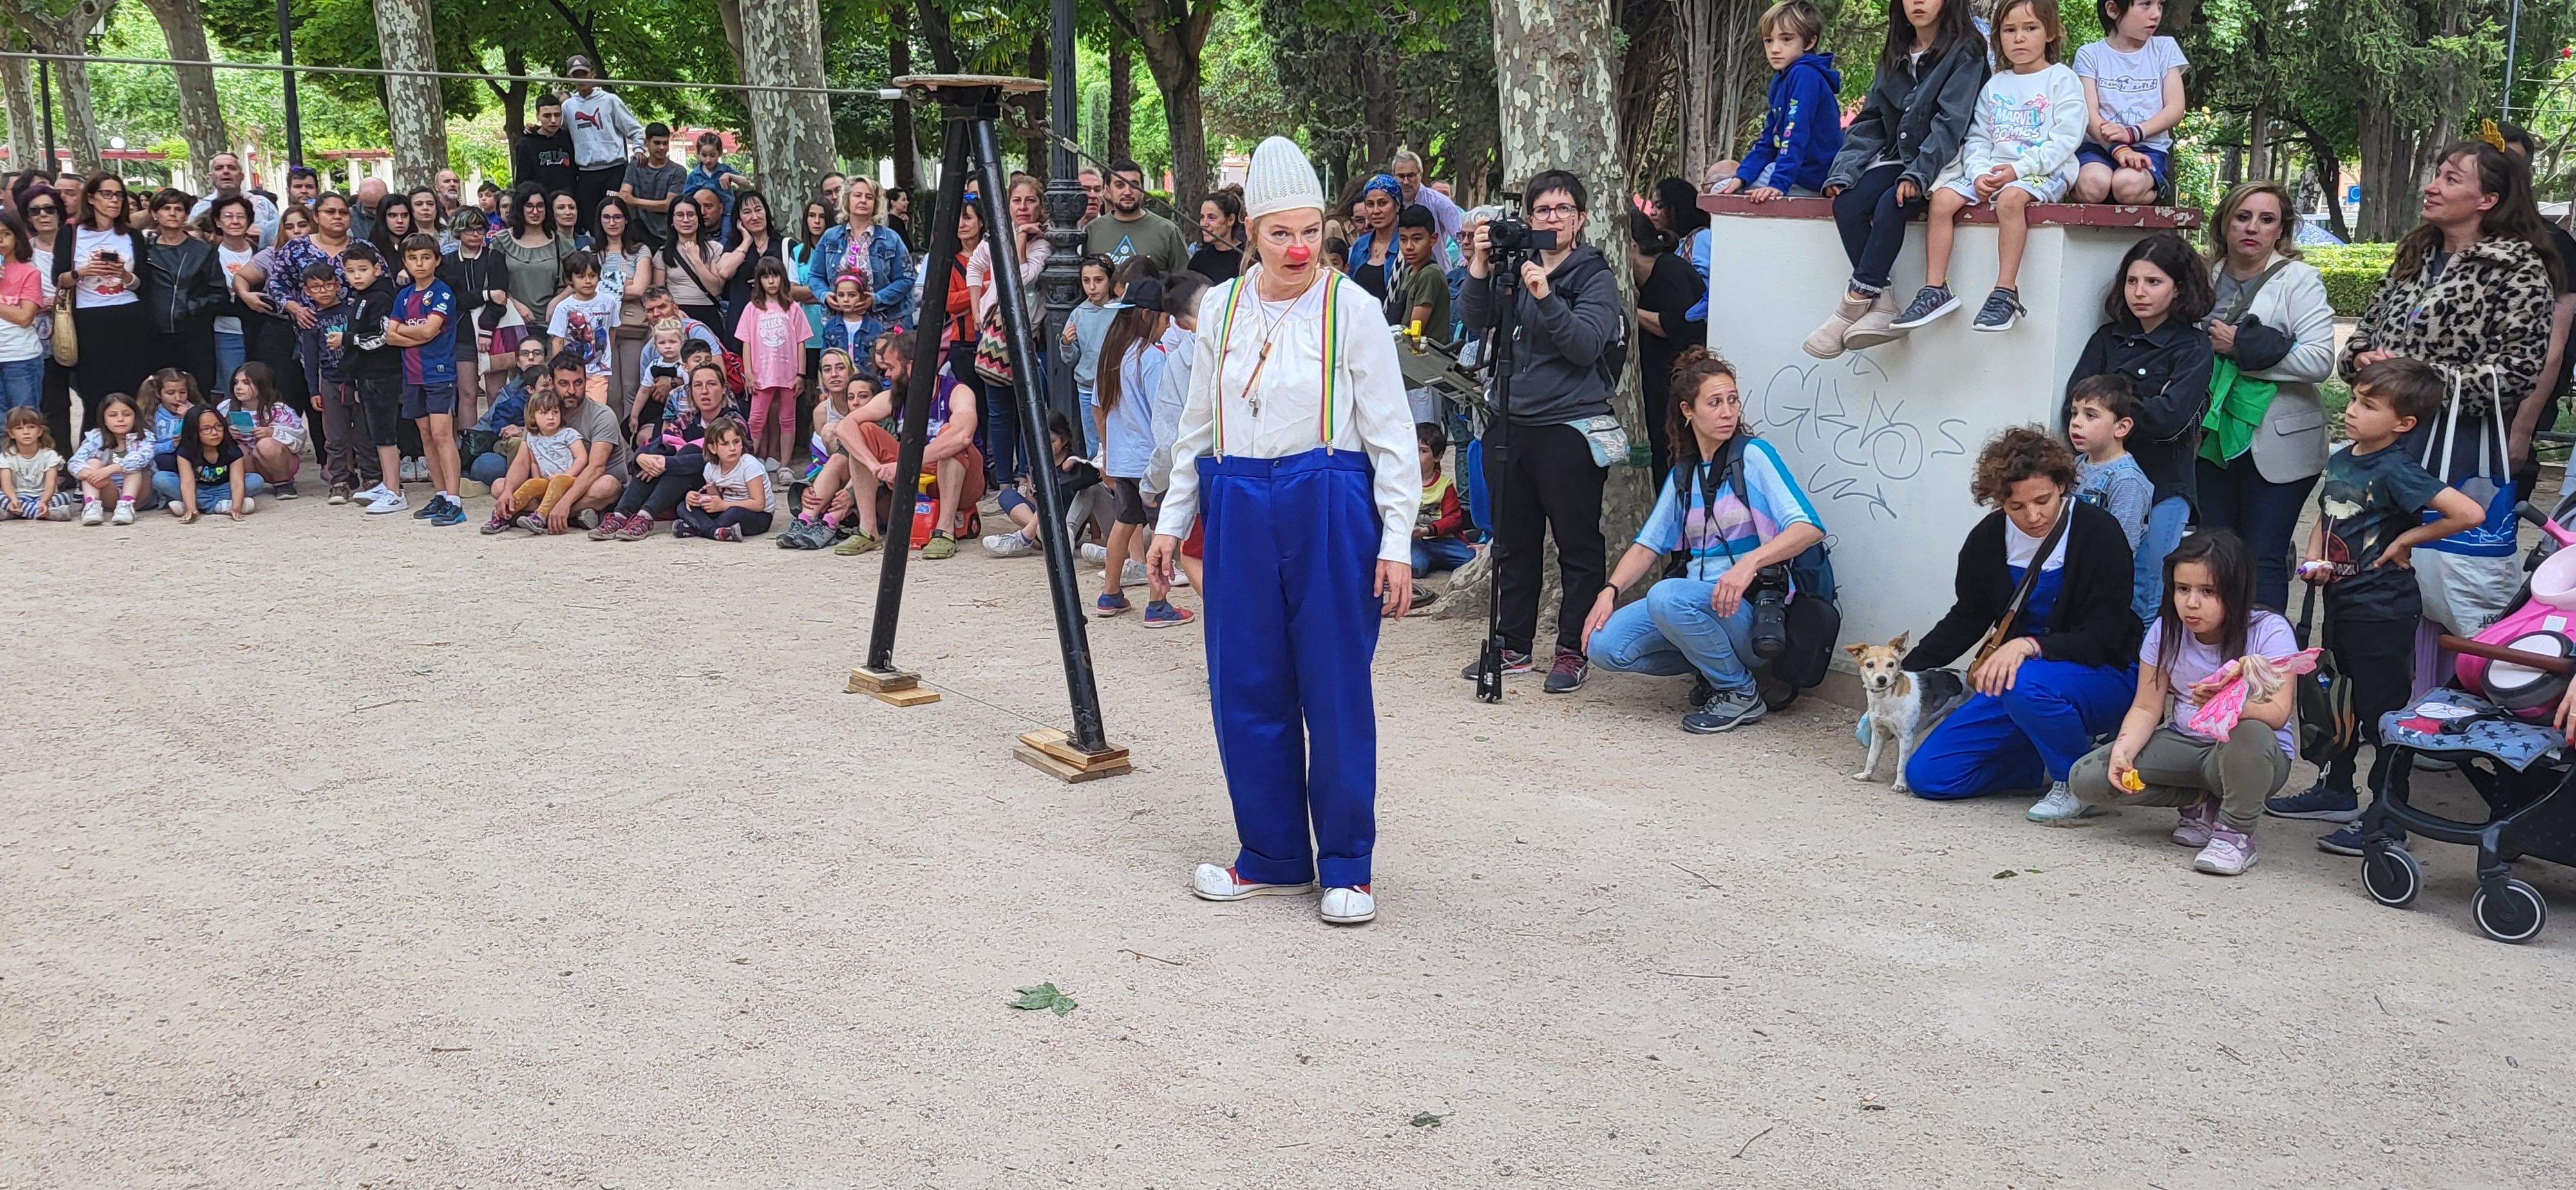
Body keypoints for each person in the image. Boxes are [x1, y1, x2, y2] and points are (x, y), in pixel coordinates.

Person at [1149, 136, 1416, 926]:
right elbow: (1198, 422)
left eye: (1309, 231)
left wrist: (1396, 541)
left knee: (1333, 685)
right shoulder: (1222, 309)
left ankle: (1347, 865)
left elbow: (1394, 435)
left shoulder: (1353, 308)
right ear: (1250, 232)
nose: (1298, 248)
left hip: (1329, 494)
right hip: (1236, 496)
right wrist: (1172, 521)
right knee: (1245, 681)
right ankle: (1269, 854)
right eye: (1279, 233)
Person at [2340, 138, 2559, 636]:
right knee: (2373, 591)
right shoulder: (2415, 253)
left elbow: (2519, 373)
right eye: (2436, 174)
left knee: (2453, 603)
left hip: (2457, 452)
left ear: (2488, 200)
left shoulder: (2518, 267)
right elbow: (2363, 333)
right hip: (2380, 446)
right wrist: (2362, 359)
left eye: (2451, 179)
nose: (2432, 187)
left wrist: (2417, 380)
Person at [2269, 360, 2480, 855]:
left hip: (2383, 607)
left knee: (2380, 713)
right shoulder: (2345, 457)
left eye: (2368, 405)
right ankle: (2336, 790)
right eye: (2354, 399)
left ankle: (2387, 816)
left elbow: (2469, 513)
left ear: (2403, 424)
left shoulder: (2398, 469)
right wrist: (2315, 557)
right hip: (2342, 599)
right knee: (2338, 700)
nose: (2353, 411)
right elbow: (2330, 512)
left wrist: (2410, 536)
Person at [1582, 349, 1826, 732]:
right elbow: (1648, 544)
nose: (1728, 411)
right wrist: (1609, 590)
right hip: (1696, 604)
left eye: (1732, 400)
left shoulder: (1754, 456)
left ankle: (1739, 692)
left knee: (1666, 595)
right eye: (1715, 403)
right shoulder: (1685, 473)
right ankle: (1714, 670)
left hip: (1748, 610)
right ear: (1688, 411)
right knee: (1605, 646)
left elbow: (1808, 527)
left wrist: (1750, 564)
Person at [1903, 426, 2142, 811]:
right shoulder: (1987, 539)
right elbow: (1968, 616)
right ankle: (2038, 760)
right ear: (1999, 502)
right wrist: (1906, 676)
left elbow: (2106, 634)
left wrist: (2029, 645)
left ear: (2063, 484)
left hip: (2103, 670)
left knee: (2024, 683)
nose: (2033, 516)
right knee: (1930, 776)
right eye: (2016, 507)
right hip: (2020, 680)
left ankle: (2076, 783)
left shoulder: (2099, 532)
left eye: (2043, 500)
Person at [1459, 167, 1625, 693]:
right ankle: (1512, 645)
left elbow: (1583, 345)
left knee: (1576, 545)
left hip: (1570, 426)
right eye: (1542, 210)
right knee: (1512, 542)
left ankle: (1573, 649)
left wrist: (1547, 295)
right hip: (1511, 421)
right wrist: (1482, 267)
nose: (1552, 219)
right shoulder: (1516, 265)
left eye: (1562, 210)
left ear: (1580, 219)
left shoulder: (1594, 276)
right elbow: (1477, 319)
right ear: (1527, 218)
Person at [2063, 531, 2292, 874]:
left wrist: (2225, 704)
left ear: (2237, 591)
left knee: (2250, 732)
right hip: (2185, 742)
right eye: (2182, 589)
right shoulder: (2164, 630)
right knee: (2090, 779)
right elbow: (2146, 706)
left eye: (2208, 592)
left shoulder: (2269, 630)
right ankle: (2199, 800)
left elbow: (2277, 713)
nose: (2191, 603)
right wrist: (2124, 750)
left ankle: (2235, 835)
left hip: (2248, 753)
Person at [1804, 0, 1987, 357]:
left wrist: (1918, 174)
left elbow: (1951, 124)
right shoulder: (1895, 52)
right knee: (1849, 203)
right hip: (1900, 156)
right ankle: (1883, 301)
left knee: (1894, 201)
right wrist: (1845, 169)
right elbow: (1871, 120)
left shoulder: (1967, 51)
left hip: (1948, 160)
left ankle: (1853, 303)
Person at [1889, 0, 2083, 334]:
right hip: (1992, 169)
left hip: (2043, 171)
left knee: (2010, 200)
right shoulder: (1995, 84)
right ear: (1999, 37)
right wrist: (1978, 172)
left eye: (2030, 28)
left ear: (2050, 33)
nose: (2019, 38)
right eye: (2010, 30)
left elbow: (2065, 139)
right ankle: (1936, 288)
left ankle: (2005, 292)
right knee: (1942, 199)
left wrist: (2018, 170)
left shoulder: (2062, 80)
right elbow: (1977, 137)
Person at [2192, 180, 2338, 610]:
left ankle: (2267, 667)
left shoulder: (2299, 279)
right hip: (2211, 437)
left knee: (2262, 559)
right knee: (2215, 556)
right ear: (2225, 223)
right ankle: (2218, 664)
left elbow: (2318, 361)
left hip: (2281, 442)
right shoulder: (2204, 275)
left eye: (2266, 219)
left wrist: (2240, 350)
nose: (2252, 228)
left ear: (2281, 230)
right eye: (2242, 217)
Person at [2066, 232, 2214, 619]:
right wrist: (2130, 405)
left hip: (2164, 484)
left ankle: (2144, 677)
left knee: (2148, 589)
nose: (2139, 292)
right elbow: (2075, 403)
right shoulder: (2108, 338)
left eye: (2153, 282)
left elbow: (2170, 419)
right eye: (2132, 281)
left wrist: (2110, 404)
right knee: (2095, 583)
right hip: (2098, 483)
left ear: (2178, 289)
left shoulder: (2193, 347)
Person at [828, 330, 983, 558]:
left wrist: (905, 465)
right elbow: (845, 427)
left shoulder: (957, 391)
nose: (887, 375)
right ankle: (868, 530)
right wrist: (874, 466)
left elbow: (962, 437)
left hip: (961, 476)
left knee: (950, 435)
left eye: (891, 368)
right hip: (914, 473)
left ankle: (945, 530)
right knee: (863, 432)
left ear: (911, 367)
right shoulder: (896, 395)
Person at [1092, 275, 1177, 615]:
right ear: (1147, 316)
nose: (1168, 325)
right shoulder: (1152, 360)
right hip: (1151, 460)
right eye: (1165, 318)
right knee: (1162, 529)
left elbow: (1098, 408)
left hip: (1123, 459)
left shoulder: (1112, 356)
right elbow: (1165, 412)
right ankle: (1158, 603)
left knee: (1124, 523)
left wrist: (1108, 451)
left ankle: (1110, 594)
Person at [967, 173, 1051, 488]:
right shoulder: (995, 239)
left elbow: (1022, 276)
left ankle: (1027, 475)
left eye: (1030, 200)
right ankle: (1003, 480)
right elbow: (975, 266)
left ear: (1040, 205)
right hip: (995, 336)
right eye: (1017, 200)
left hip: (1030, 337)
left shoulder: (1043, 243)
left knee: (1031, 408)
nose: (1023, 207)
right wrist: (976, 307)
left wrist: (1022, 238)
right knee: (999, 412)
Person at [1715, 1, 1844, 201]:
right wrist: (1742, 176)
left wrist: (1778, 184)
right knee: (1725, 188)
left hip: (1807, 175)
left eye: (1786, 39)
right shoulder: (1782, 78)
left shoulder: (1804, 76)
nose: (1775, 49)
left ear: (1809, 42)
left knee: (1719, 192)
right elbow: (1769, 138)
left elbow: (1795, 133)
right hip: (1790, 170)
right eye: (1768, 41)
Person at [495, 351, 629, 533]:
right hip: (548, 483)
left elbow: (596, 468)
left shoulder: (602, 416)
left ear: (585, 381)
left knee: (608, 487)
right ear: (551, 382)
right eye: (564, 384)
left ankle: (541, 514)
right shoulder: (542, 410)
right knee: (499, 487)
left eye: (578, 383)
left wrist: (565, 502)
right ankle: (572, 516)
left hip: (589, 484)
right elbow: (522, 459)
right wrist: (508, 491)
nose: (572, 391)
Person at [2069, 0, 2187, 205]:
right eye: (2146, 5)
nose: (2156, 14)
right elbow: (2088, 114)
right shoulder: (2090, 54)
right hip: (2100, 146)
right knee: (2093, 185)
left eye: (2160, 5)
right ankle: (2073, 191)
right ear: (2113, 10)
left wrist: (2132, 133)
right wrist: (2119, 147)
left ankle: (2156, 192)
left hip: (2148, 148)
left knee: (2127, 186)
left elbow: (2175, 109)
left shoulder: (2165, 49)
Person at [55, 173, 154, 410]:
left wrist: (125, 276)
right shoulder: (71, 234)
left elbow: (145, 283)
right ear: (90, 198)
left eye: (119, 195)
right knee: (95, 394)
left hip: (129, 315)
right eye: (106, 194)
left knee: (131, 390)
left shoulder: (131, 235)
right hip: (90, 319)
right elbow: (59, 279)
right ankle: (95, 444)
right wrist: (83, 272)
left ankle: (131, 443)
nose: (114, 201)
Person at [388, 234, 465, 525]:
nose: (419, 264)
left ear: (437, 260)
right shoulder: (404, 296)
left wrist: (404, 333)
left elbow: (428, 332)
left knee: (442, 434)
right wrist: (409, 334)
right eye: (412, 258)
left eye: (425, 258)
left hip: (439, 372)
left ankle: (455, 500)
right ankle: (441, 493)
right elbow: (389, 335)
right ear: (405, 262)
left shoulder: (443, 293)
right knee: (426, 436)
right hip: (413, 375)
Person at [806, 178, 914, 378]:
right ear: (847, 200)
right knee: (844, 380)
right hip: (842, 326)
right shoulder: (830, 237)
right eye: (857, 195)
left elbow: (907, 279)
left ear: (876, 203)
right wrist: (825, 295)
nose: (863, 200)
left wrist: (876, 299)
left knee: (890, 384)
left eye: (869, 197)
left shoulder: (891, 238)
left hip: (886, 324)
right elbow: (815, 276)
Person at [1628, 211, 1703, 481]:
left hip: (1677, 391)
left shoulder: (1670, 271)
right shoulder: (1645, 280)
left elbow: (1678, 325)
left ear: (1631, 247)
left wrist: (1628, 310)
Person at [339, 242, 408, 516]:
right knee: (376, 432)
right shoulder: (361, 296)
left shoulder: (381, 297)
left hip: (383, 373)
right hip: (366, 373)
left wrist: (348, 339)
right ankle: (386, 484)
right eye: (350, 271)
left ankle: (394, 491)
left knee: (384, 432)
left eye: (363, 270)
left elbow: (384, 337)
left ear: (377, 269)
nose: (356, 276)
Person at [296, 260, 369, 503]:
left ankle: (372, 478)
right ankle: (339, 481)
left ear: (339, 285)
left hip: (358, 380)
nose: (323, 291)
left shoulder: (353, 310)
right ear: (306, 291)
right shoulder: (311, 320)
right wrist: (312, 391)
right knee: (336, 436)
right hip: (329, 382)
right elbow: (311, 359)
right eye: (316, 287)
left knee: (364, 432)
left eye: (328, 285)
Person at [733, 256, 809, 471]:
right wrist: (748, 373)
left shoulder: (792, 308)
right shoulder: (752, 309)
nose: (772, 281)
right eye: (766, 277)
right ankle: (747, 466)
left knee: (788, 419)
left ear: (782, 279)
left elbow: (801, 342)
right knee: (756, 420)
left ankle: (785, 466)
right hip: (761, 376)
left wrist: (801, 375)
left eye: (775, 276)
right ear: (759, 281)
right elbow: (746, 342)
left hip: (789, 375)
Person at [438, 210, 511, 431]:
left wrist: (487, 329)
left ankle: (497, 441)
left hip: (496, 331)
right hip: (461, 333)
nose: (475, 234)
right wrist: (486, 294)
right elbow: (455, 299)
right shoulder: (448, 261)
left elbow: (502, 296)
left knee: (496, 393)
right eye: (469, 229)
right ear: (459, 231)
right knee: (468, 393)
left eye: (480, 229)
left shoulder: (494, 257)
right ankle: (470, 443)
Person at [559, 56, 643, 231]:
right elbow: (561, 133)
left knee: (617, 216)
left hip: (614, 170)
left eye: (584, 74)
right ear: (570, 79)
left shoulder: (610, 100)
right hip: (586, 173)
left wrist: (639, 150)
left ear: (593, 75)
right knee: (592, 220)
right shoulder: (568, 106)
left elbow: (635, 129)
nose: (581, 79)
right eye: (576, 76)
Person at [590, 196, 659, 410]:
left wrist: (603, 284)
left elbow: (639, 289)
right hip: (599, 327)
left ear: (626, 220)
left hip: (633, 325)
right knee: (609, 390)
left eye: (618, 217)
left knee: (632, 387)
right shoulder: (591, 253)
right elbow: (586, 288)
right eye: (607, 217)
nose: (612, 222)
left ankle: (631, 437)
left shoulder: (640, 250)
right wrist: (623, 281)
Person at [2066, 374, 2149, 549]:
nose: (2076, 423)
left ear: (2121, 427)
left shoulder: (2127, 481)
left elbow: (2123, 546)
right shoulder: (2076, 464)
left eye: (2090, 415)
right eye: (2074, 414)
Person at [497, 389, 591, 534]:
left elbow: (582, 458)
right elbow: (534, 462)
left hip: (569, 480)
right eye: (544, 413)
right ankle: (504, 514)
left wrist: (567, 475)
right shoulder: (532, 438)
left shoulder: (568, 433)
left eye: (555, 412)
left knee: (558, 481)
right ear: (533, 417)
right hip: (546, 481)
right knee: (531, 484)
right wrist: (537, 481)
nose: (551, 417)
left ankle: (540, 516)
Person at [498, 185, 575, 358]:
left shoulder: (560, 242)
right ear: (520, 207)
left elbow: (578, 279)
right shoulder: (501, 241)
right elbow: (493, 284)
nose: (535, 211)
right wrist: (515, 305)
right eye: (529, 206)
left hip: (553, 324)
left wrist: (558, 301)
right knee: (521, 381)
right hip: (514, 321)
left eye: (540, 206)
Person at [156, 402, 262, 520]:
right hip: (197, 488)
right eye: (206, 429)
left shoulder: (231, 449)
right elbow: (187, 482)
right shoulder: (186, 451)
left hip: (224, 487)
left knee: (256, 481)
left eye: (218, 426)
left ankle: (202, 505)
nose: (215, 433)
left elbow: (237, 482)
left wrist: (236, 508)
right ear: (194, 431)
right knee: (160, 479)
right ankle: (218, 506)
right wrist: (191, 508)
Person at [677, 415, 774, 541]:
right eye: (725, 444)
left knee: (733, 514)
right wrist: (695, 498)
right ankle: (717, 532)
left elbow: (759, 504)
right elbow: (715, 500)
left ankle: (697, 528)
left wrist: (724, 505)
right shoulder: (711, 469)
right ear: (713, 448)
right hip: (726, 509)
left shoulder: (749, 465)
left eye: (736, 442)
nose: (733, 448)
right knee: (683, 506)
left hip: (758, 515)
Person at [200, 195, 262, 392]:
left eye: (241, 217)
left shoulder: (261, 253)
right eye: (228, 216)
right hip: (226, 332)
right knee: (233, 388)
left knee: (260, 388)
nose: (235, 221)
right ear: (217, 221)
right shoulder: (207, 255)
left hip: (259, 330)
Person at [1084, 159, 1190, 273]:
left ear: (1143, 190)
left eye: (1134, 185)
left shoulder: (1168, 231)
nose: (1128, 192)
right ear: (1108, 191)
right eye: (1120, 185)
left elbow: (1186, 280)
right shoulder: (1092, 231)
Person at [548, 250, 621, 411]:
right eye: (581, 277)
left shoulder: (610, 303)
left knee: (596, 409)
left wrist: (607, 357)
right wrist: (557, 370)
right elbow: (558, 340)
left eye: (592, 275)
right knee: (570, 410)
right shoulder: (564, 308)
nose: (588, 281)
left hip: (597, 370)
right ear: (570, 280)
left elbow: (612, 331)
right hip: (570, 372)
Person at [221, 362, 307, 495]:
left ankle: (283, 485)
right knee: (237, 450)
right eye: (236, 383)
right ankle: (246, 484)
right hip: (248, 463)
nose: (239, 388)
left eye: (246, 383)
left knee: (266, 445)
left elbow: (300, 439)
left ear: (261, 385)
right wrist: (226, 433)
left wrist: (273, 432)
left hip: (279, 463)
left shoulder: (279, 409)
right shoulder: (225, 407)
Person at [1063, 255, 1116, 454]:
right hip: (1087, 385)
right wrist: (1066, 344)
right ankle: (1098, 480)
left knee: (1115, 438)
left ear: (1110, 280)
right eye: (1087, 281)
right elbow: (1071, 358)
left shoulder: (1119, 310)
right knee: (1093, 442)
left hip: (1114, 385)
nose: (1092, 287)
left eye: (1098, 280)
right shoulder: (1079, 314)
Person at [68, 392, 149, 524]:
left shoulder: (145, 436)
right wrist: (92, 475)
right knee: (92, 463)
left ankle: (126, 505)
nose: (120, 419)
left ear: (135, 417)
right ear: (104, 420)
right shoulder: (95, 437)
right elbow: (74, 462)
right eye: (113, 415)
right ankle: (92, 505)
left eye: (127, 414)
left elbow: (142, 458)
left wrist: (111, 469)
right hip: (107, 490)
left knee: (134, 465)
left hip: (139, 493)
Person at [1410, 420, 1475, 578]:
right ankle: (1429, 561)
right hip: (1415, 541)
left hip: (1442, 541)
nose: (1415, 456)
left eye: (1423, 451)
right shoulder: (1403, 484)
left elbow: (1454, 519)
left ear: (1437, 456)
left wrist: (1429, 529)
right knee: (1417, 567)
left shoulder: (1444, 485)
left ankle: (1435, 560)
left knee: (1470, 559)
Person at [187, 153, 280, 247]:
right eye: (219, 168)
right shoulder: (200, 208)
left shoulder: (263, 204)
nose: (226, 171)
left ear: (242, 176)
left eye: (232, 168)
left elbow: (280, 238)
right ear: (211, 177)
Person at [0, 212, 43, 412]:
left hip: (20, 357)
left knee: (24, 420)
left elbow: (25, 317)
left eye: (6, 233)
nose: (0, 240)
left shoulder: (29, 272)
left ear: (17, 237)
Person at [620, 122, 688, 247]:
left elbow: (669, 205)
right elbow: (624, 197)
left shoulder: (678, 171)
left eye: (665, 143)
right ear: (646, 143)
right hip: (638, 235)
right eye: (657, 143)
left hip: (666, 237)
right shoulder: (635, 166)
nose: (662, 147)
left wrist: (634, 201)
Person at [1386, 150, 1463, 259]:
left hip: (1435, 271)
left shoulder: (1439, 203)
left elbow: (1462, 237)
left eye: (1411, 175)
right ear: (1394, 176)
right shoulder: (1389, 204)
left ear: (1420, 175)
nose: (1406, 182)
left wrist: (1462, 267)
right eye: (1401, 176)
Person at [0, 406, 71, 520]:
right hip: (17, 496)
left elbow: (50, 485)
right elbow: (6, 484)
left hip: (42, 497)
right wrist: (13, 499)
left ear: (39, 431)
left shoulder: (49, 455)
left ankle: (14, 513)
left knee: (64, 497)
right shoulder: (7, 456)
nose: (26, 432)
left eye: (31, 427)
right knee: (1, 497)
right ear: (11, 434)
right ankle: (45, 514)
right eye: (19, 428)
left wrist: (44, 501)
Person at [1344, 174, 1403, 301]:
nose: (1376, 211)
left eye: (1382, 203)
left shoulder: (1407, 245)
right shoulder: (1360, 246)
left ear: (1397, 205)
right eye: (1370, 204)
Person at [515, 95, 578, 198]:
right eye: (547, 116)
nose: (553, 120)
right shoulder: (526, 144)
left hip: (568, 201)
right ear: (538, 116)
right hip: (541, 203)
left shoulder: (570, 138)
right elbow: (523, 182)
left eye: (557, 115)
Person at [685, 131, 748, 228]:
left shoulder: (725, 170)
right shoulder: (694, 175)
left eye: (712, 155)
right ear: (698, 154)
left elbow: (746, 183)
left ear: (720, 153)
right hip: (704, 217)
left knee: (728, 238)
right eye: (704, 155)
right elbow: (686, 198)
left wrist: (731, 176)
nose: (708, 160)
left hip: (727, 214)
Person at [1188, 189, 1244, 284]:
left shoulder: (1247, 258)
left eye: (1212, 217)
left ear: (1230, 220)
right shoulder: (1199, 259)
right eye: (1202, 217)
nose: (1204, 224)